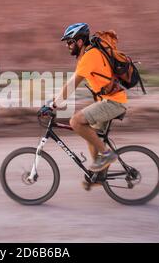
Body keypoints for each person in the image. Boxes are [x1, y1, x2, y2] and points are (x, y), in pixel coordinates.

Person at [38, 23, 127, 188]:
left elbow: (72, 84)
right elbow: (70, 84)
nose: (67, 45)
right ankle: (98, 176)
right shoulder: (87, 56)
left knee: (76, 121)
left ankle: (106, 155)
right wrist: (53, 102)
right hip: (108, 101)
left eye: (70, 42)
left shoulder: (90, 56)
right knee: (90, 133)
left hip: (113, 103)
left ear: (79, 41)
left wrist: (53, 105)